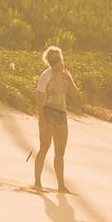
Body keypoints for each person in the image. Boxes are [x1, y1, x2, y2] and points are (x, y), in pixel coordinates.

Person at [34, 46, 79, 193]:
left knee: (60, 152)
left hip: (61, 114)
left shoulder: (67, 74)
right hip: (48, 112)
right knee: (44, 147)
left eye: (58, 61)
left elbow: (75, 94)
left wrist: (69, 80)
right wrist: (41, 119)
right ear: (50, 63)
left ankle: (61, 184)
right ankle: (37, 181)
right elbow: (40, 98)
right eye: (53, 62)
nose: (57, 64)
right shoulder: (46, 75)